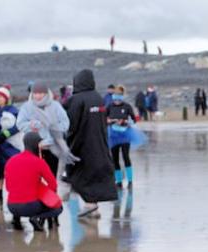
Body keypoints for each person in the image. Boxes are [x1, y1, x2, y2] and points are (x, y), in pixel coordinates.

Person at [64, 69, 119, 218]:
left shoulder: (76, 99)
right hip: (99, 141)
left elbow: (70, 123)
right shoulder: (98, 98)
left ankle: (89, 205)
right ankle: (92, 205)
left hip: (81, 143)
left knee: (78, 173)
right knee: (95, 173)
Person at [5, 132, 63, 231]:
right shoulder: (39, 162)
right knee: (59, 208)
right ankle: (35, 218)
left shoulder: (11, 160)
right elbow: (53, 185)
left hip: (11, 207)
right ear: (36, 145)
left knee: (21, 194)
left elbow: (8, 187)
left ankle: (16, 220)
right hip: (30, 207)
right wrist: (45, 196)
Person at [16, 81, 73, 178]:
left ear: (46, 93)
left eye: (41, 93)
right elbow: (20, 124)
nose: (38, 96)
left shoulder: (56, 106)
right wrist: (33, 125)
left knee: (51, 176)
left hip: (52, 147)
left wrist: (51, 126)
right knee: (35, 177)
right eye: (35, 93)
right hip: (34, 147)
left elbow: (65, 124)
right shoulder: (26, 107)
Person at [106, 85, 137, 188]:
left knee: (125, 156)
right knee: (115, 159)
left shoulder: (127, 106)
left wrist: (125, 121)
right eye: (115, 97)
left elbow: (134, 120)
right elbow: (104, 119)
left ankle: (130, 181)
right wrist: (110, 121)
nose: (117, 100)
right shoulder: (109, 106)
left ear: (122, 96)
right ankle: (118, 181)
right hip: (114, 135)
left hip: (125, 135)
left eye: (119, 97)